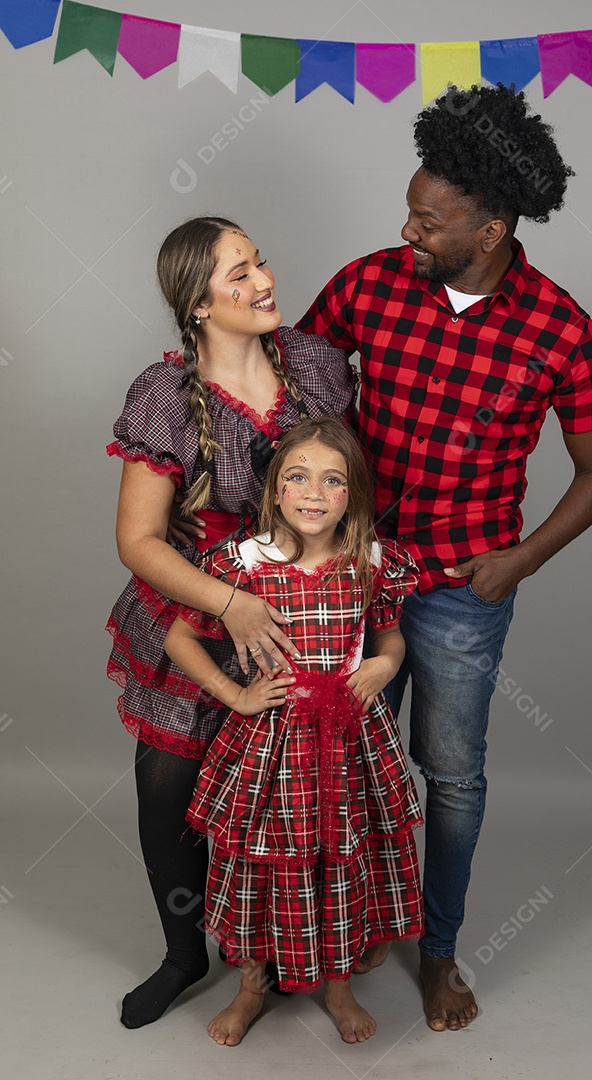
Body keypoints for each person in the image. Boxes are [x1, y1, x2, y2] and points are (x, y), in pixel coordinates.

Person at [296, 84, 592, 1032]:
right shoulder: (366, 284)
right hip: (352, 576)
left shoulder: (563, 330)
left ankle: (437, 952)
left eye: (428, 219)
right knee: (344, 761)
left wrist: (521, 559)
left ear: (490, 230)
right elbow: (300, 396)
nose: (406, 229)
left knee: (452, 773)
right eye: (407, 208)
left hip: (460, 590)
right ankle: (348, 934)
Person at [106, 217, 356, 1028]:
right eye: (238, 275)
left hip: (303, 610)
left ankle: (278, 949)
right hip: (202, 597)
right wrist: (231, 603)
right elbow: (137, 542)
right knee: (166, 782)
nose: (263, 282)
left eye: (260, 262)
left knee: (283, 786)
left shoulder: (315, 366)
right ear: (199, 304)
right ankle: (184, 955)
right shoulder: (163, 394)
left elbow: (342, 488)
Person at [164, 417, 423, 1046]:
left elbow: (388, 635)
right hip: (271, 744)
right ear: (275, 489)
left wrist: (385, 664)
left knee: (341, 857)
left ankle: (338, 986)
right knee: (259, 864)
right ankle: (252, 987)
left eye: (333, 481)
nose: (314, 492)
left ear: (352, 496)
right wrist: (235, 695)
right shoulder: (243, 564)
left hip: (347, 743)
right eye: (298, 477)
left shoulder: (370, 562)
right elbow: (179, 637)